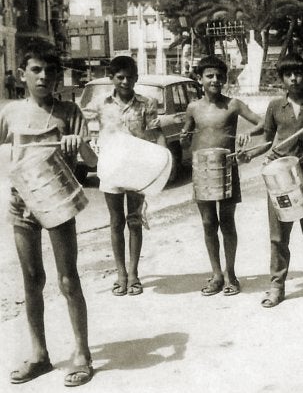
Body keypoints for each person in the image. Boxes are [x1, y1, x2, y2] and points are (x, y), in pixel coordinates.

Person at [0, 45, 97, 386]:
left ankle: (82, 353)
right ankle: (39, 355)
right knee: (31, 280)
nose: (43, 77)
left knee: (68, 278)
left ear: (58, 77)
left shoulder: (69, 111)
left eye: (50, 72)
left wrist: (77, 142)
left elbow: (94, 161)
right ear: (22, 73)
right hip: (21, 205)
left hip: (59, 204)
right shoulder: (10, 113)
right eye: (36, 70)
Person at [239, 54, 303, 308]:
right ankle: (277, 286)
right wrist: (250, 154)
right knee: (278, 236)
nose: (294, 78)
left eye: (298, 73)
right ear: (282, 78)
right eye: (288, 74)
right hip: (280, 178)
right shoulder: (275, 106)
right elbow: (267, 140)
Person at [180, 55, 263, 296]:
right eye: (209, 76)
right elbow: (186, 139)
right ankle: (216, 274)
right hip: (202, 170)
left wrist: (248, 135)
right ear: (200, 79)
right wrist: (185, 139)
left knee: (227, 222)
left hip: (226, 168)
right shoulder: (193, 107)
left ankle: (231, 274)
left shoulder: (234, 104)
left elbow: (261, 123)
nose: (215, 80)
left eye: (219, 76)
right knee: (208, 223)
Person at [88, 55, 166, 297]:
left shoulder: (146, 103)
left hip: (137, 170)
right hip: (111, 169)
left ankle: (133, 274)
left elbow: (157, 134)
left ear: (136, 78)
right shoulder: (100, 104)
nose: (125, 81)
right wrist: (97, 161)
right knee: (115, 222)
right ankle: (120, 273)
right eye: (120, 77)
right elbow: (90, 135)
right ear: (111, 78)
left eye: (129, 77)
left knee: (134, 220)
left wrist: (164, 163)